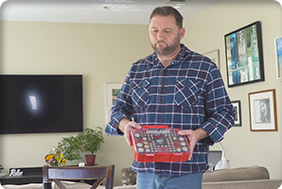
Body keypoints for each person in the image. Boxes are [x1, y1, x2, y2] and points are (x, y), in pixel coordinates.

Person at [105, 6, 235, 189]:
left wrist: (198, 134)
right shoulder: (137, 69)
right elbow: (118, 110)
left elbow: (226, 112)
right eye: (154, 31)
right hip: (145, 170)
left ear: (181, 32)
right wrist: (125, 124)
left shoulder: (204, 67)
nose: (159, 36)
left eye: (167, 31)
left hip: (186, 171)